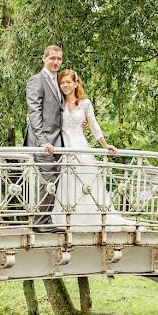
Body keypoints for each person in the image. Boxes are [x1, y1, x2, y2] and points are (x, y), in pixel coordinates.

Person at [53, 69, 134, 231]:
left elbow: (94, 125)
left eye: (68, 82)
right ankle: (67, 217)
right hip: (63, 147)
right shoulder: (58, 103)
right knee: (67, 182)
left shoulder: (85, 104)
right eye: (62, 82)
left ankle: (89, 217)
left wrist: (105, 145)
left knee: (85, 182)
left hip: (80, 146)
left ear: (76, 84)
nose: (65, 85)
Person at [23, 45, 66, 233]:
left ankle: (45, 220)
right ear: (44, 59)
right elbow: (34, 113)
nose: (56, 62)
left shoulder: (57, 82)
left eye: (59, 59)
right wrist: (42, 141)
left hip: (57, 141)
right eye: (52, 58)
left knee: (52, 180)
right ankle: (40, 222)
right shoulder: (37, 80)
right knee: (48, 179)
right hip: (42, 141)